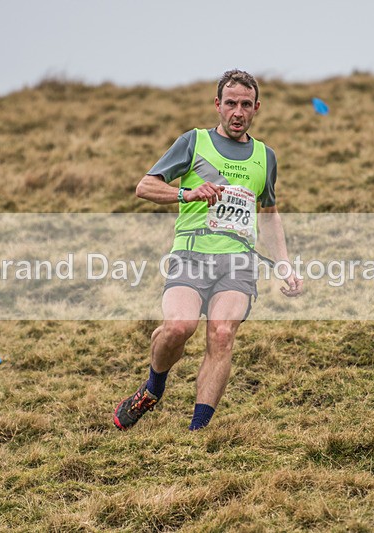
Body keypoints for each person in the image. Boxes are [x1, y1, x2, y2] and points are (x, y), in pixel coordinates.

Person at [113, 69, 303, 431]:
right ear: (218, 105)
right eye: (230, 103)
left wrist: (285, 266)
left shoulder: (266, 156)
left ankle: (196, 434)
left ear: (256, 108)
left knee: (221, 334)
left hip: (239, 263)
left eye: (246, 105)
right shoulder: (193, 142)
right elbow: (144, 187)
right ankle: (152, 389)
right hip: (191, 255)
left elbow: (269, 214)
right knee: (178, 327)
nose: (237, 112)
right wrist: (187, 193)